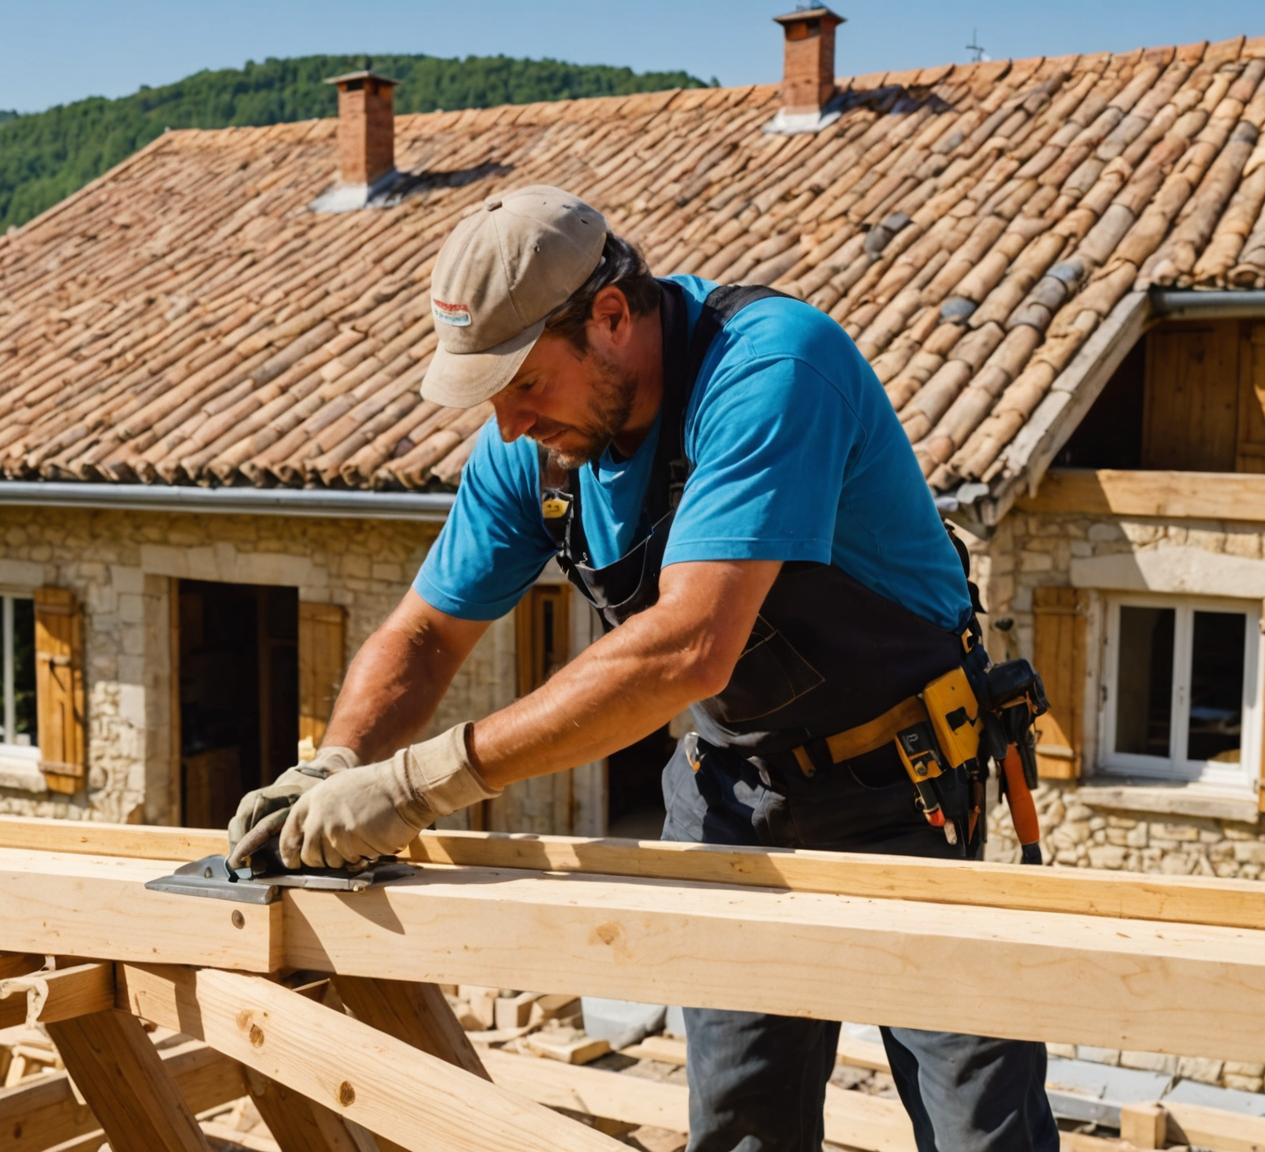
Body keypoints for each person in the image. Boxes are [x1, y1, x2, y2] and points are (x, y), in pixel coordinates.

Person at [223, 184, 1056, 1152]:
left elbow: (690, 646)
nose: (506, 425)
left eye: (525, 385)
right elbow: (424, 636)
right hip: (737, 798)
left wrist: (417, 782)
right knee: (742, 1130)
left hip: (907, 794)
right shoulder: (532, 458)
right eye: (492, 398)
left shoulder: (770, 371)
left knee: (979, 1134)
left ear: (611, 317)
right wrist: (337, 761)